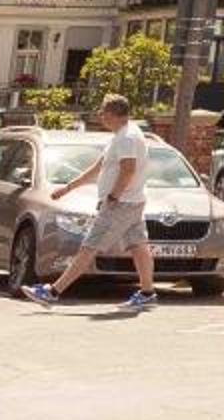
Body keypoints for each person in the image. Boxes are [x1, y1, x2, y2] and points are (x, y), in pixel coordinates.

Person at [28, 95, 157, 310]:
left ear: (113, 114)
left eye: (103, 112)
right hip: (132, 202)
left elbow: (128, 170)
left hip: (121, 203)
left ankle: (52, 292)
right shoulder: (123, 135)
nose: (100, 116)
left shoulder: (127, 138)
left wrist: (113, 197)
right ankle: (147, 292)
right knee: (138, 246)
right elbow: (98, 168)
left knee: (89, 247)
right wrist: (68, 188)